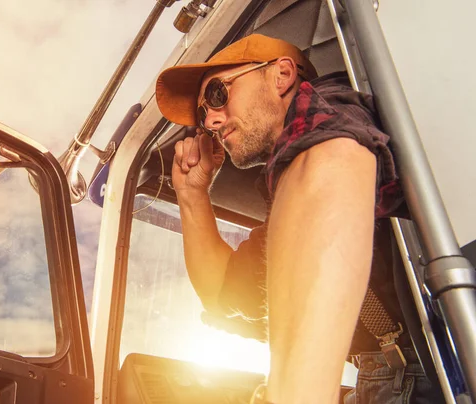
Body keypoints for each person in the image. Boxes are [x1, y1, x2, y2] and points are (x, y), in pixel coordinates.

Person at [155, 34, 443, 403]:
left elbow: (329, 153)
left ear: (282, 75)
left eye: (217, 94)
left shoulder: (330, 109)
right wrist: (191, 194)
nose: (210, 120)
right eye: (203, 116)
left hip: (429, 375)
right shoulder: (295, 209)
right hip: (385, 377)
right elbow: (223, 292)